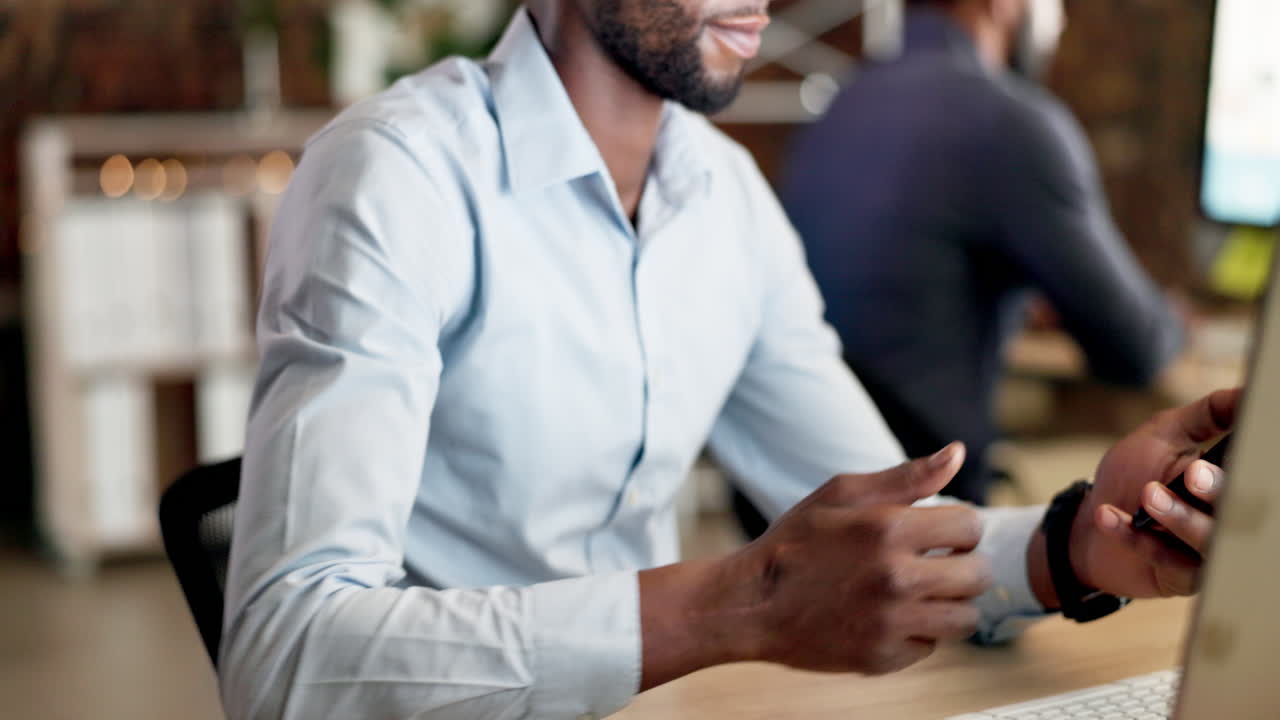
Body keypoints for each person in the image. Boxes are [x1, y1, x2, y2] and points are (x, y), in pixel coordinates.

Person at [220, 2, 1230, 719]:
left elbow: (896, 536)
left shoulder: (728, 199)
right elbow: (284, 659)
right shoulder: (396, 175)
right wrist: (739, 605)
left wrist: (1082, 542)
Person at [780, 0, 1186, 506]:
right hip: (919, 505)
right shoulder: (1010, 121)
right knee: (1146, 489)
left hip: (798, 495)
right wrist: (1176, 320)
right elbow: (1136, 349)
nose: (1059, 20)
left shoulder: (843, 101)